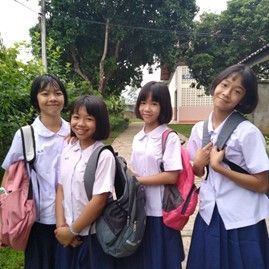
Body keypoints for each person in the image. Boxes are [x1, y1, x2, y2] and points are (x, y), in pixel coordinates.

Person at [186, 64, 269, 268]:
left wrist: (220, 167)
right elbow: (199, 172)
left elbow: (262, 184)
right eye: (224, 85)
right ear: (216, 85)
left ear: (243, 99)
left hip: (242, 220)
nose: (227, 93)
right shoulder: (199, 129)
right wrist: (198, 164)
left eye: (237, 91)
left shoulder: (247, 133)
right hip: (209, 215)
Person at [1, 74, 70, 269]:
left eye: (58, 93)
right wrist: (6, 209)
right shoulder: (25, 134)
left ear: (64, 97)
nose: (52, 98)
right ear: (36, 99)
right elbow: (8, 176)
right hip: (36, 219)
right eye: (45, 93)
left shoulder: (74, 131)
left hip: (71, 218)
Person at [120, 81, 185, 269]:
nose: (147, 109)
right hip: (139, 209)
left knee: (161, 259)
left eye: (154, 104)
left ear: (163, 106)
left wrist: (136, 181)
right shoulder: (138, 137)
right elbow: (135, 168)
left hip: (160, 210)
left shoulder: (168, 137)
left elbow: (171, 176)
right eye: (143, 103)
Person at [54, 95, 117, 269]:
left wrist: (72, 231)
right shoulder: (68, 148)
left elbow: (99, 200)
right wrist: (62, 229)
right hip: (66, 237)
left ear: (99, 122)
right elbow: (61, 188)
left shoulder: (103, 155)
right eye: (76, 117)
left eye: (89, 119)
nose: (80, 124)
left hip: (92, 238)